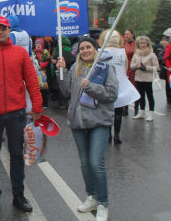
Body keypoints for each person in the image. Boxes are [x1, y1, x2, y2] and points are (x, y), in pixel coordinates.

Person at [0, 16, 42, 213]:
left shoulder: (21, 53)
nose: (0, 31)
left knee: (16, 154)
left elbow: (31, 81)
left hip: (16, 112)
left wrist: (37, 107)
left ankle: (18, 194)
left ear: (8, 29)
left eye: (3, 28)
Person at [57, 37, 118, 221]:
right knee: (84, 163)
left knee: (95, 163)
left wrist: (90, 87)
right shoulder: (77, 69)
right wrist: (61, 71)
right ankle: (91, 197)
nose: (85, 50)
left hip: (99, 122)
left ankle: (103, 203)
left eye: (88, 47)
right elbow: (66, 91)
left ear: (95, 48)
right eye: (82, 48)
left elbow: (112, 93)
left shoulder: (106, 68)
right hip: (78, 123)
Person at [98, 30, 131, 144]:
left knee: (106, 112)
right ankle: (117, 135)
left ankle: (108, 135)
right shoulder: (122, 52)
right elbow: (126, 67)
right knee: (118, 112)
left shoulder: (101, 52)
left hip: (105, 84)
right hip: (119, 84)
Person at [130, 36, 159, 122]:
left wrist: (145, 67)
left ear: (147, 44)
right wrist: (137, 65)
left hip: (148, 78)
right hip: (138, 78)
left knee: (149, 96)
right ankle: (141, 112)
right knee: (140, 96)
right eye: (141, 43)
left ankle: (151, 113)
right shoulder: (136, 54)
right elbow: (131, 66)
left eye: (144, 43)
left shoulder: (152, 54)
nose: (142, 45)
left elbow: (157, 67)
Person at [33, 38, 51, 109]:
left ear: (42, 44)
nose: (38, 45)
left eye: (40, 44)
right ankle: (37, 103)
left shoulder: (45, 52)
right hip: (35, 73)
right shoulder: (33, 52)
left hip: (44, 73)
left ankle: (44, 104)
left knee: (44, 88)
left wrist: (41, 66)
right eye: (37, 44)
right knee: (36, 89)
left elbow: (48, 61)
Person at [123, 30, 136, 116]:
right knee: (125, 89)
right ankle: (125, 108)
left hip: (133, 69)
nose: (126, 35)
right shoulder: (123, 44)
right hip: (124, 68)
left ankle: (137, 108)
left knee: (135, 89)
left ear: (132, 35)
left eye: (128, 34)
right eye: (125, 34)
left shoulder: (135, 44)